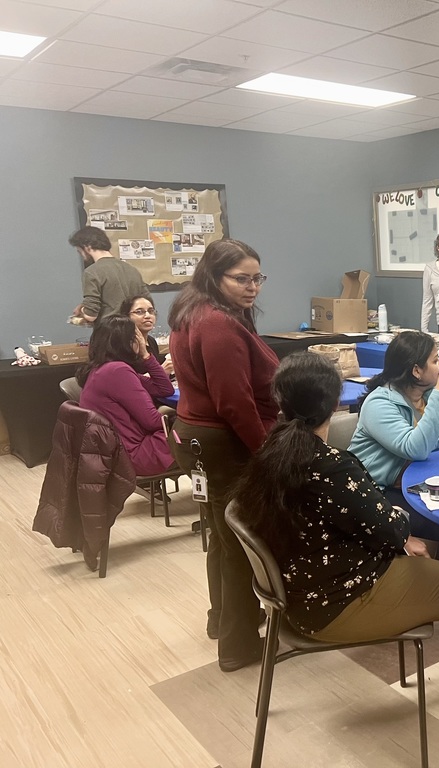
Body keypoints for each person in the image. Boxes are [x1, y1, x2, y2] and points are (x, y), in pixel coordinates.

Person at [232, 352, 439, 714]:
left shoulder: (274, 451)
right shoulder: (330, 467)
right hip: (337, 601)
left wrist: (396, 529)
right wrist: (398, 520)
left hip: (313, 586)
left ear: (281, 401)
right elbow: (391, 525)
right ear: (334, 404)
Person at [167, 238, 279, 672]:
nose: (253, 288)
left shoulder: (195, 310)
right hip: (222, 444)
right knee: (238, 546)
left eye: (258, 278)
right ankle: (238, 645)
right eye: (241, 279)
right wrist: (266, 454)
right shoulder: (217, 324)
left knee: (221, 536)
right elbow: (234, 403)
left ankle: (222, 619)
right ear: (214, 277)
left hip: (198, 439)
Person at [349, 331, 439, 550]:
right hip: (377, 491)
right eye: (435, 360)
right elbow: (417, 448)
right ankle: (418, 561)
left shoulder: (429, 392)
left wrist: (430, 436)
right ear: (416, 371)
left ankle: (434, 561)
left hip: (418, 479)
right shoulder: (379, 403)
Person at [77, 315, 175, 476]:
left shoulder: (102, 369)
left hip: (115, 452)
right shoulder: (117, 371)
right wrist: (170, 416)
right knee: (197, 431)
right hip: (134, 455)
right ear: (128, 342)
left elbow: (165, 389)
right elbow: (153, 422)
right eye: (137, 337)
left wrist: (146, 356)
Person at [68, 226, 148, 324]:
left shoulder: (92, 272)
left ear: (87, 246)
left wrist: (82, 310)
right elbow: (147, 302)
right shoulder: (132, 270)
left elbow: (91, 314)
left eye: (80, 251)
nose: (83, 257)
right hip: (134, 329)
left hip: (109, 329)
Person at [120, 295, 174, 377]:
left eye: (151, 311)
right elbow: (128, 380)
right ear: (126, 316)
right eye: (139, 312)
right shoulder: (124, 345)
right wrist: (161, 370)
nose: (147, 316)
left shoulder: (151, 341)